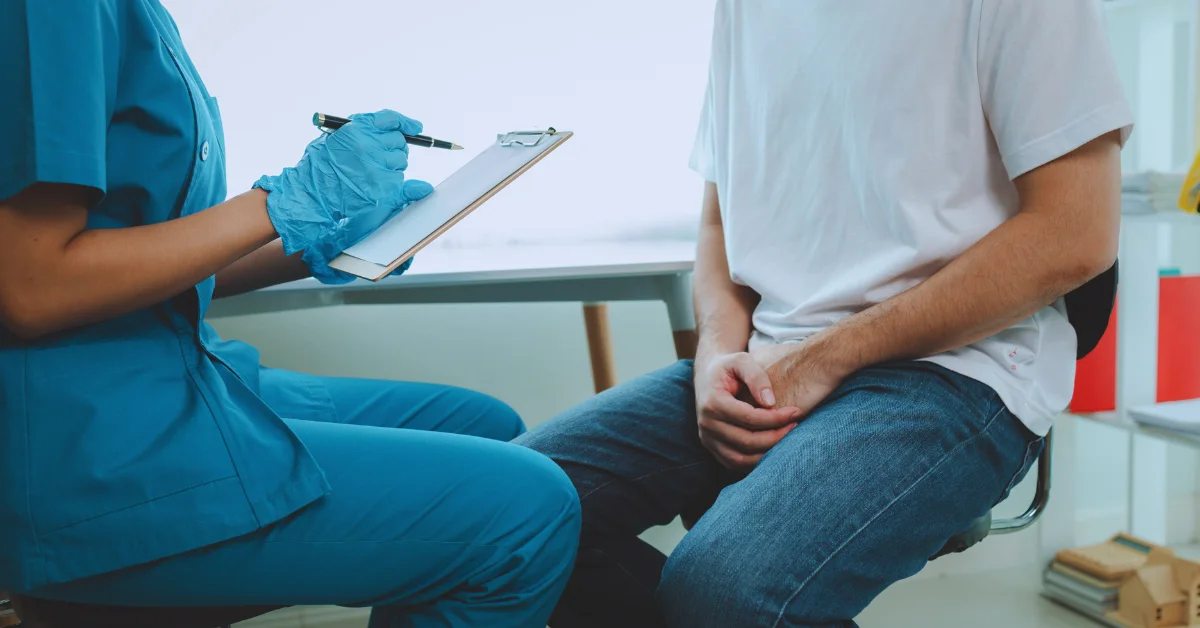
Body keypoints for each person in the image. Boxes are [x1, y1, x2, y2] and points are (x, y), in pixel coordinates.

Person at [516, 1, 1133, 626]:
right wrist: (714, 363)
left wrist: (824, 356)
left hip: (954, 369)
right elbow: (720, 221)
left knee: (721, 595)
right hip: (769, 362)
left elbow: (1075, 234)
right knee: (503, 526)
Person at [0, 1, 579, 626]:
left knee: (481, 422)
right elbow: (33, 288)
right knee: (526, 510)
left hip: (168, 369)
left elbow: (133, 264)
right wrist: (282, 200)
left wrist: (309, 243)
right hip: (85, 437)